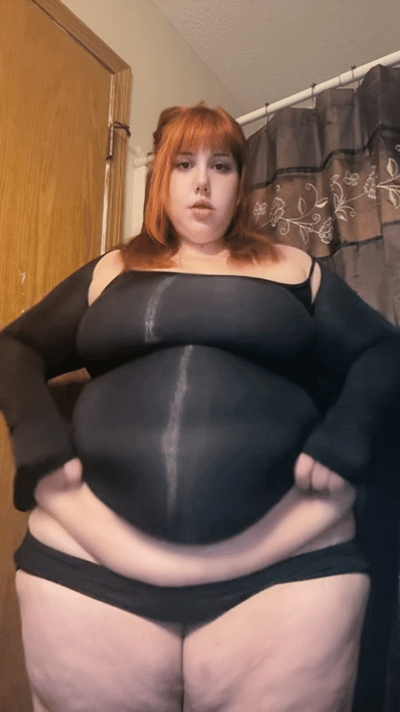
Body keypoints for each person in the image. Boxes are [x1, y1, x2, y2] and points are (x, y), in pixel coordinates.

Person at [1, 102, 399, 712]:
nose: (202, 184)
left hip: (288, 560)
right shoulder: (112, 268)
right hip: (88, 553)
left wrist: (349, 431)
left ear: (241, 182)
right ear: (161, 177)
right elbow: (15, 347)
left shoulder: (295, 268)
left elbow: (382, 349)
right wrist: (35, 433)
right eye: (183, 164)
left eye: (222, 166)